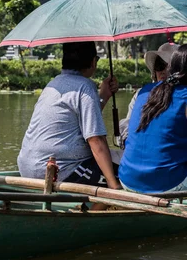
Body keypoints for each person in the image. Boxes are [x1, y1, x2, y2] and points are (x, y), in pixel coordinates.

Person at [17, 41, 122, 189]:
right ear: (93, 62)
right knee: (121, 173)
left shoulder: (53, 84)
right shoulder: (85, 87)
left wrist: (103, 95)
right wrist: (113, 185)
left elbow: (83, 120)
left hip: (26, 168)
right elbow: (96, 140)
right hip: (57, 171)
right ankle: (96, 211)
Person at [119, 46, 187, 193]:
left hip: (126, 178)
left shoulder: (144, 91)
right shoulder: (183, 96)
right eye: (158, 66)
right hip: (165, 184)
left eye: (166, 65)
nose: (162, 71)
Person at [118, 42, 178, 148]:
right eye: (159, 66)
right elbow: (128, 125)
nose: (163, 71)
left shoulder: (181, 96)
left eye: (168, 66)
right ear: (154, 71)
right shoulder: (141, 94)